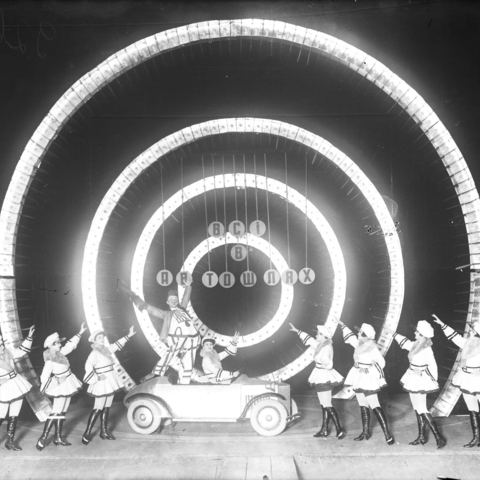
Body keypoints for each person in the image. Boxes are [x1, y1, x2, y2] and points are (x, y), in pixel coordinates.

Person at [121, 280, 201, 385]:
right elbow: (151, 310)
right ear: (167, 302)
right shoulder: (166, 314)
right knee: (170, 353)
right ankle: (155, 372)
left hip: (193, 339)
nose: (173, 301)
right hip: (178, 339)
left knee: (188, 364)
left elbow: (186, 297)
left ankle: (183, 383)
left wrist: (188, 286)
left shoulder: (183, 309)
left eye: (175, 299)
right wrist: (134, 297)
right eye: (171, 300)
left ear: (177, 301)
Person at [338, 320, 394, 445]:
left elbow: (381, 362)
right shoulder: (359, 344)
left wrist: (369, 369)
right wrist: (343, 325)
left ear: (366, 335)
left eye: (360, 332)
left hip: (368, 378)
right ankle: (365, 432)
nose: (358, 334)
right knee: (363, 405)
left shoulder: (372, 347)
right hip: (358, 377)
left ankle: (387, 434)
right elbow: (351, 338)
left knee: (375, 405)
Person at [392, 320, 446, 449]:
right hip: (412, 377)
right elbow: (405, 343)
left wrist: (422, 372)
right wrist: (393, 334)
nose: (415, 333)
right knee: (417, 408)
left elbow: (433, 365)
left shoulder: (427, 349)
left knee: (422, 408)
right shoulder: (416, 344)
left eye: (417, 331)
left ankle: (439, 437)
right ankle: (422, 436)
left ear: (422, 335)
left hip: (420, 380)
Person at [289, 321, 345, 439]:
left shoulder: (326, 347)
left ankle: (339, 429)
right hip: (319, 375)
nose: (316, 336)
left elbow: (329, 364)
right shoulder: (322, 345)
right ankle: (324, 430)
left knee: (327, 404)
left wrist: (325, 361)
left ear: (324, 336)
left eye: (318, 334)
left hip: (325, 377)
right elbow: (311, 341)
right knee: (323, 404)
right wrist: (298, 331)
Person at [36, 323, 87, 450]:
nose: (60, 345)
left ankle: (58, 437)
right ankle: (42, 437)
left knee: (62, 411)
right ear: (52, 345)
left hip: (69, 381)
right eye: (58, 343)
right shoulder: (50, 360)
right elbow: (43, 378)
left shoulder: (60, 354)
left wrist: (80, 333)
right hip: (61, 385)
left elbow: (70, 346)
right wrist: (57, 382)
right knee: (56, 411)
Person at [82, 325, 136, 445]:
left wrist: (128, 335)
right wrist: (96, 377)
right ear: (95, 340)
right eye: (99, 337)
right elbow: (88, 366)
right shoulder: (94, 353)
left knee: (107, 407)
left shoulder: (105, 349)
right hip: (102, 382)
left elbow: (116, 345)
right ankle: (87, 433)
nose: (102, 339)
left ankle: (104, 432)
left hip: (111, 380)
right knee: (98, 408)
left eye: (102, 337)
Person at [433, 313, 480, 448]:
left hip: (477, 380)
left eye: (472, 330)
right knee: (472, 409)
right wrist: (442, 324)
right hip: (465, 378)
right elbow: (455, 337)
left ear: (477, 334)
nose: (469, 331)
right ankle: (476, 438)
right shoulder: (467, 343)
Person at [0, 326, 35, 451]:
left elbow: (21, 351)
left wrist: (29, 337)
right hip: (3, 388)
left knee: (14, 415)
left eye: (2, 343)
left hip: (16, 384)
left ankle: (10, 442)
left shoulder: (8, 352)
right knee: (1, 415)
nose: (2, 347)